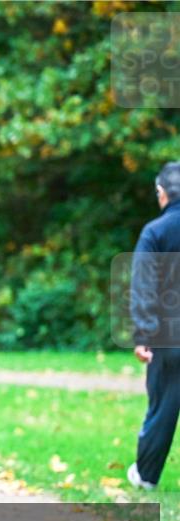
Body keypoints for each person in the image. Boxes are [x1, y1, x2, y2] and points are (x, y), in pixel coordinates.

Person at [127, 161, 180, 490]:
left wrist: (144, 333)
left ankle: (146, 477)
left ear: (162, 194)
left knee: (162, 408)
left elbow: (144, 286)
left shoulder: (156, 232)